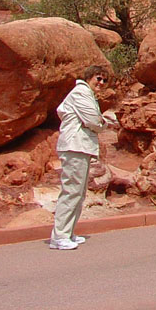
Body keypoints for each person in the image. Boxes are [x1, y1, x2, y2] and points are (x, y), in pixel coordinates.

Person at [49, 64, 117, 250]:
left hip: (81, 147)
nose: (101, 83)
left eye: (104, 80)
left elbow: (93, 121)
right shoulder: (81, 92)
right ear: (88, 77)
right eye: (98, 78)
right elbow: (93, 121)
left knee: (78, 192)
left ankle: (68, 232)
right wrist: (104, 123)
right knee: (72, 190)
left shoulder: (87, 95)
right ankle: (60, 236)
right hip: (74, 146)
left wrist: (99, 122)